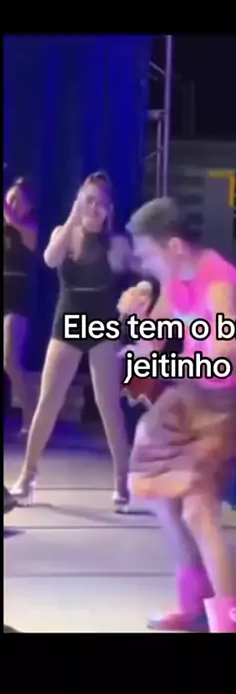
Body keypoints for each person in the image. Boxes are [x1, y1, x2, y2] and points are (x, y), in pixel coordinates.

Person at [118, 198, 236, 633]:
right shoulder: (175, 279)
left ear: (174, 246)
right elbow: (150, 345)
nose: (143, 265)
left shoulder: (221, 282)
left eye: (147, 254)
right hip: (191, 393)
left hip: (223, 402)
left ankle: (231, 624)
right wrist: (134, 320)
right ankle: (193, 602)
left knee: (199, 510)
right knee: (162, 494)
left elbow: (230, 351)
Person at [10, 172, 132, 512]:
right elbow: (50, 259)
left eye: (100, 203)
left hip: (102, 326)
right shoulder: (61, 234)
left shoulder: (115, 243)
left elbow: (134, 278)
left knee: (108, 405)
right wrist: (71, 219)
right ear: (79, 201)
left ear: (109, 209)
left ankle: (122, 479)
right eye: (88, 200)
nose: (94, 207)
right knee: (48, 401)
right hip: (67, 324)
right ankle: (28, 474)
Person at [4, 178, 38, 432]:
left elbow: (14, 220)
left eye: (19, 200)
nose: (13, 204)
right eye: (10, 199)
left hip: (15, 300)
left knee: (9, 360)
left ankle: (30, 414)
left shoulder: (29, 228)